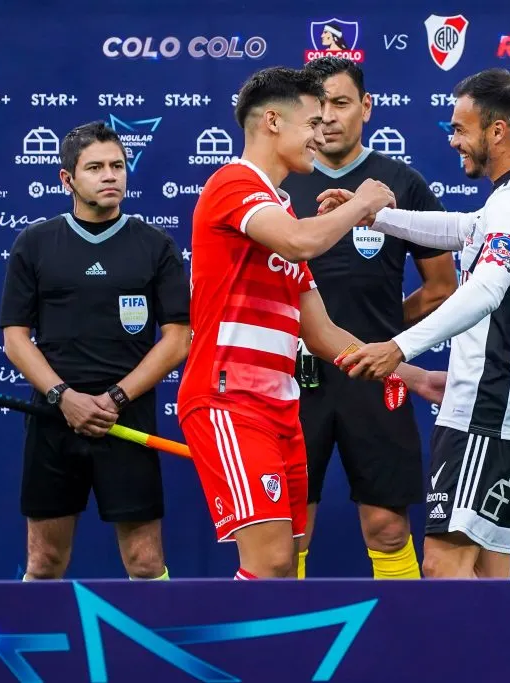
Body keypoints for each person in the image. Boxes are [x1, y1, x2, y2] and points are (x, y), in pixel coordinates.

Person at [177, 66, 445, 580]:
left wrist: (410, 375)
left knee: (287, 559)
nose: (319, 137)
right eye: (311, 124)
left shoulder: (280, 210)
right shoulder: (233, 183)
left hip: (280, 406)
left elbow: (322, 333)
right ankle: (227, 636)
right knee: (272, 560)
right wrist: (362, 202)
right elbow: (302, 243)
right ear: (272, 122)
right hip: (229, 399)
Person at [326, 68, 510, 579]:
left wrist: (398, 348)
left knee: (444, 567)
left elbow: (485, 290)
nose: (453, 139)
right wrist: (375, 216)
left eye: (461, 128)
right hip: (495, 407)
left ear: (497, 131)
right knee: (489, 571)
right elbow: (464, 229)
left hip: (488, 412)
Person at [280, 57, 457, 580]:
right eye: (318, 106)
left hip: (377, 374)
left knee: (387, 528)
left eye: (341, 103)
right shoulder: (283, 182)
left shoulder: (400, 183)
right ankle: (284, 629)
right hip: (292, 377)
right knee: (289, 532)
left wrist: (377, 335)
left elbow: (442, 287)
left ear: (367, 107)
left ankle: (407, 630)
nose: (329, 117)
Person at [0, 121, 192, 581]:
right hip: (54, 418)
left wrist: (115, 399)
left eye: (118, 166)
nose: (110, 176)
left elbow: (177, 339)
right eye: (96, 168)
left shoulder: (156, 244)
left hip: (126, 418)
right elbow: (15, 339)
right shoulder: (34, 243)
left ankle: (153, 634)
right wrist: (64, 397)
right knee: (45, 562)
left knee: (145, 562)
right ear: (67, 179)